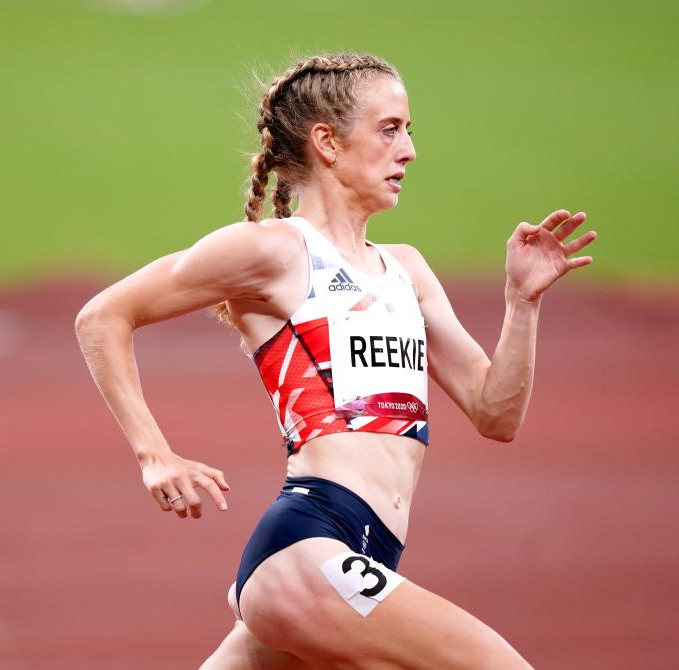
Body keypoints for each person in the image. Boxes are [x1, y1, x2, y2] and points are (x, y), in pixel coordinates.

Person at [75, 52, 596, 669]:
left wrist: (522, 303)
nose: (409, 151)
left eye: (409, 130)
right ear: (327, 142)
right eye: (389, 128)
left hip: (362, 557)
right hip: (308, 546)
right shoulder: (275, 252)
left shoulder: (408, 270)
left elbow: (495, 413)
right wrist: (154, 454)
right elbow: (103, 316)